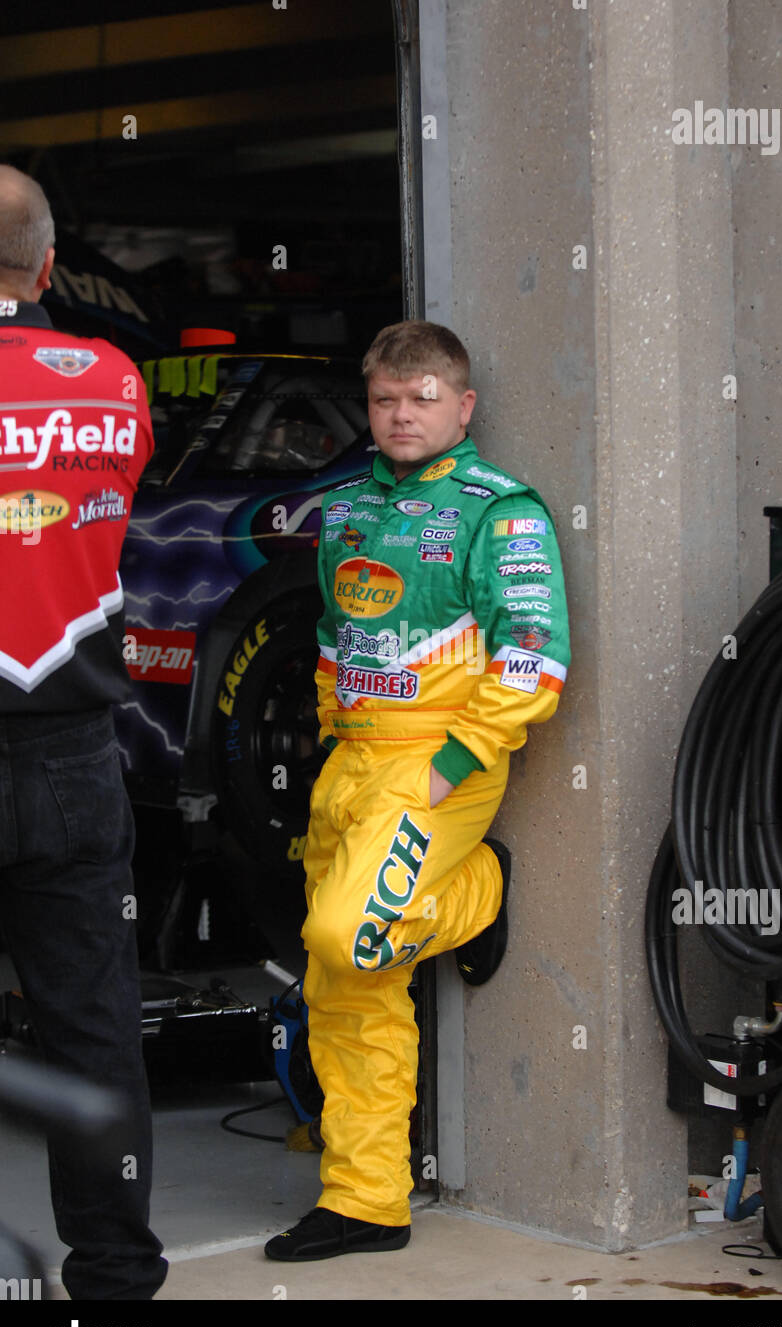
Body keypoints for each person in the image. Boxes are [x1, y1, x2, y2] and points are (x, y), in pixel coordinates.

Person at [265, 320, 569, 1261]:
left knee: (344, 933)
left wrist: (452, 766)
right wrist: (328, 744)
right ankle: (365, 1201)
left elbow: (534, 656)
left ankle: (474, 894)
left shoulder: (499, 510)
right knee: (346, 985)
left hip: (438, 766)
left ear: (461, 405)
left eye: (421, 398)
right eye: (385, 400)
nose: (401, 415)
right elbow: (329, 641)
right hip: (351, 764)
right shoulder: (346, 507)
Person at [0, 165, 167, 1299]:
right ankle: (111, 1290)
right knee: (92, 1026)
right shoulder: (115, 378)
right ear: (51, 265)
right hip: (71, 751)